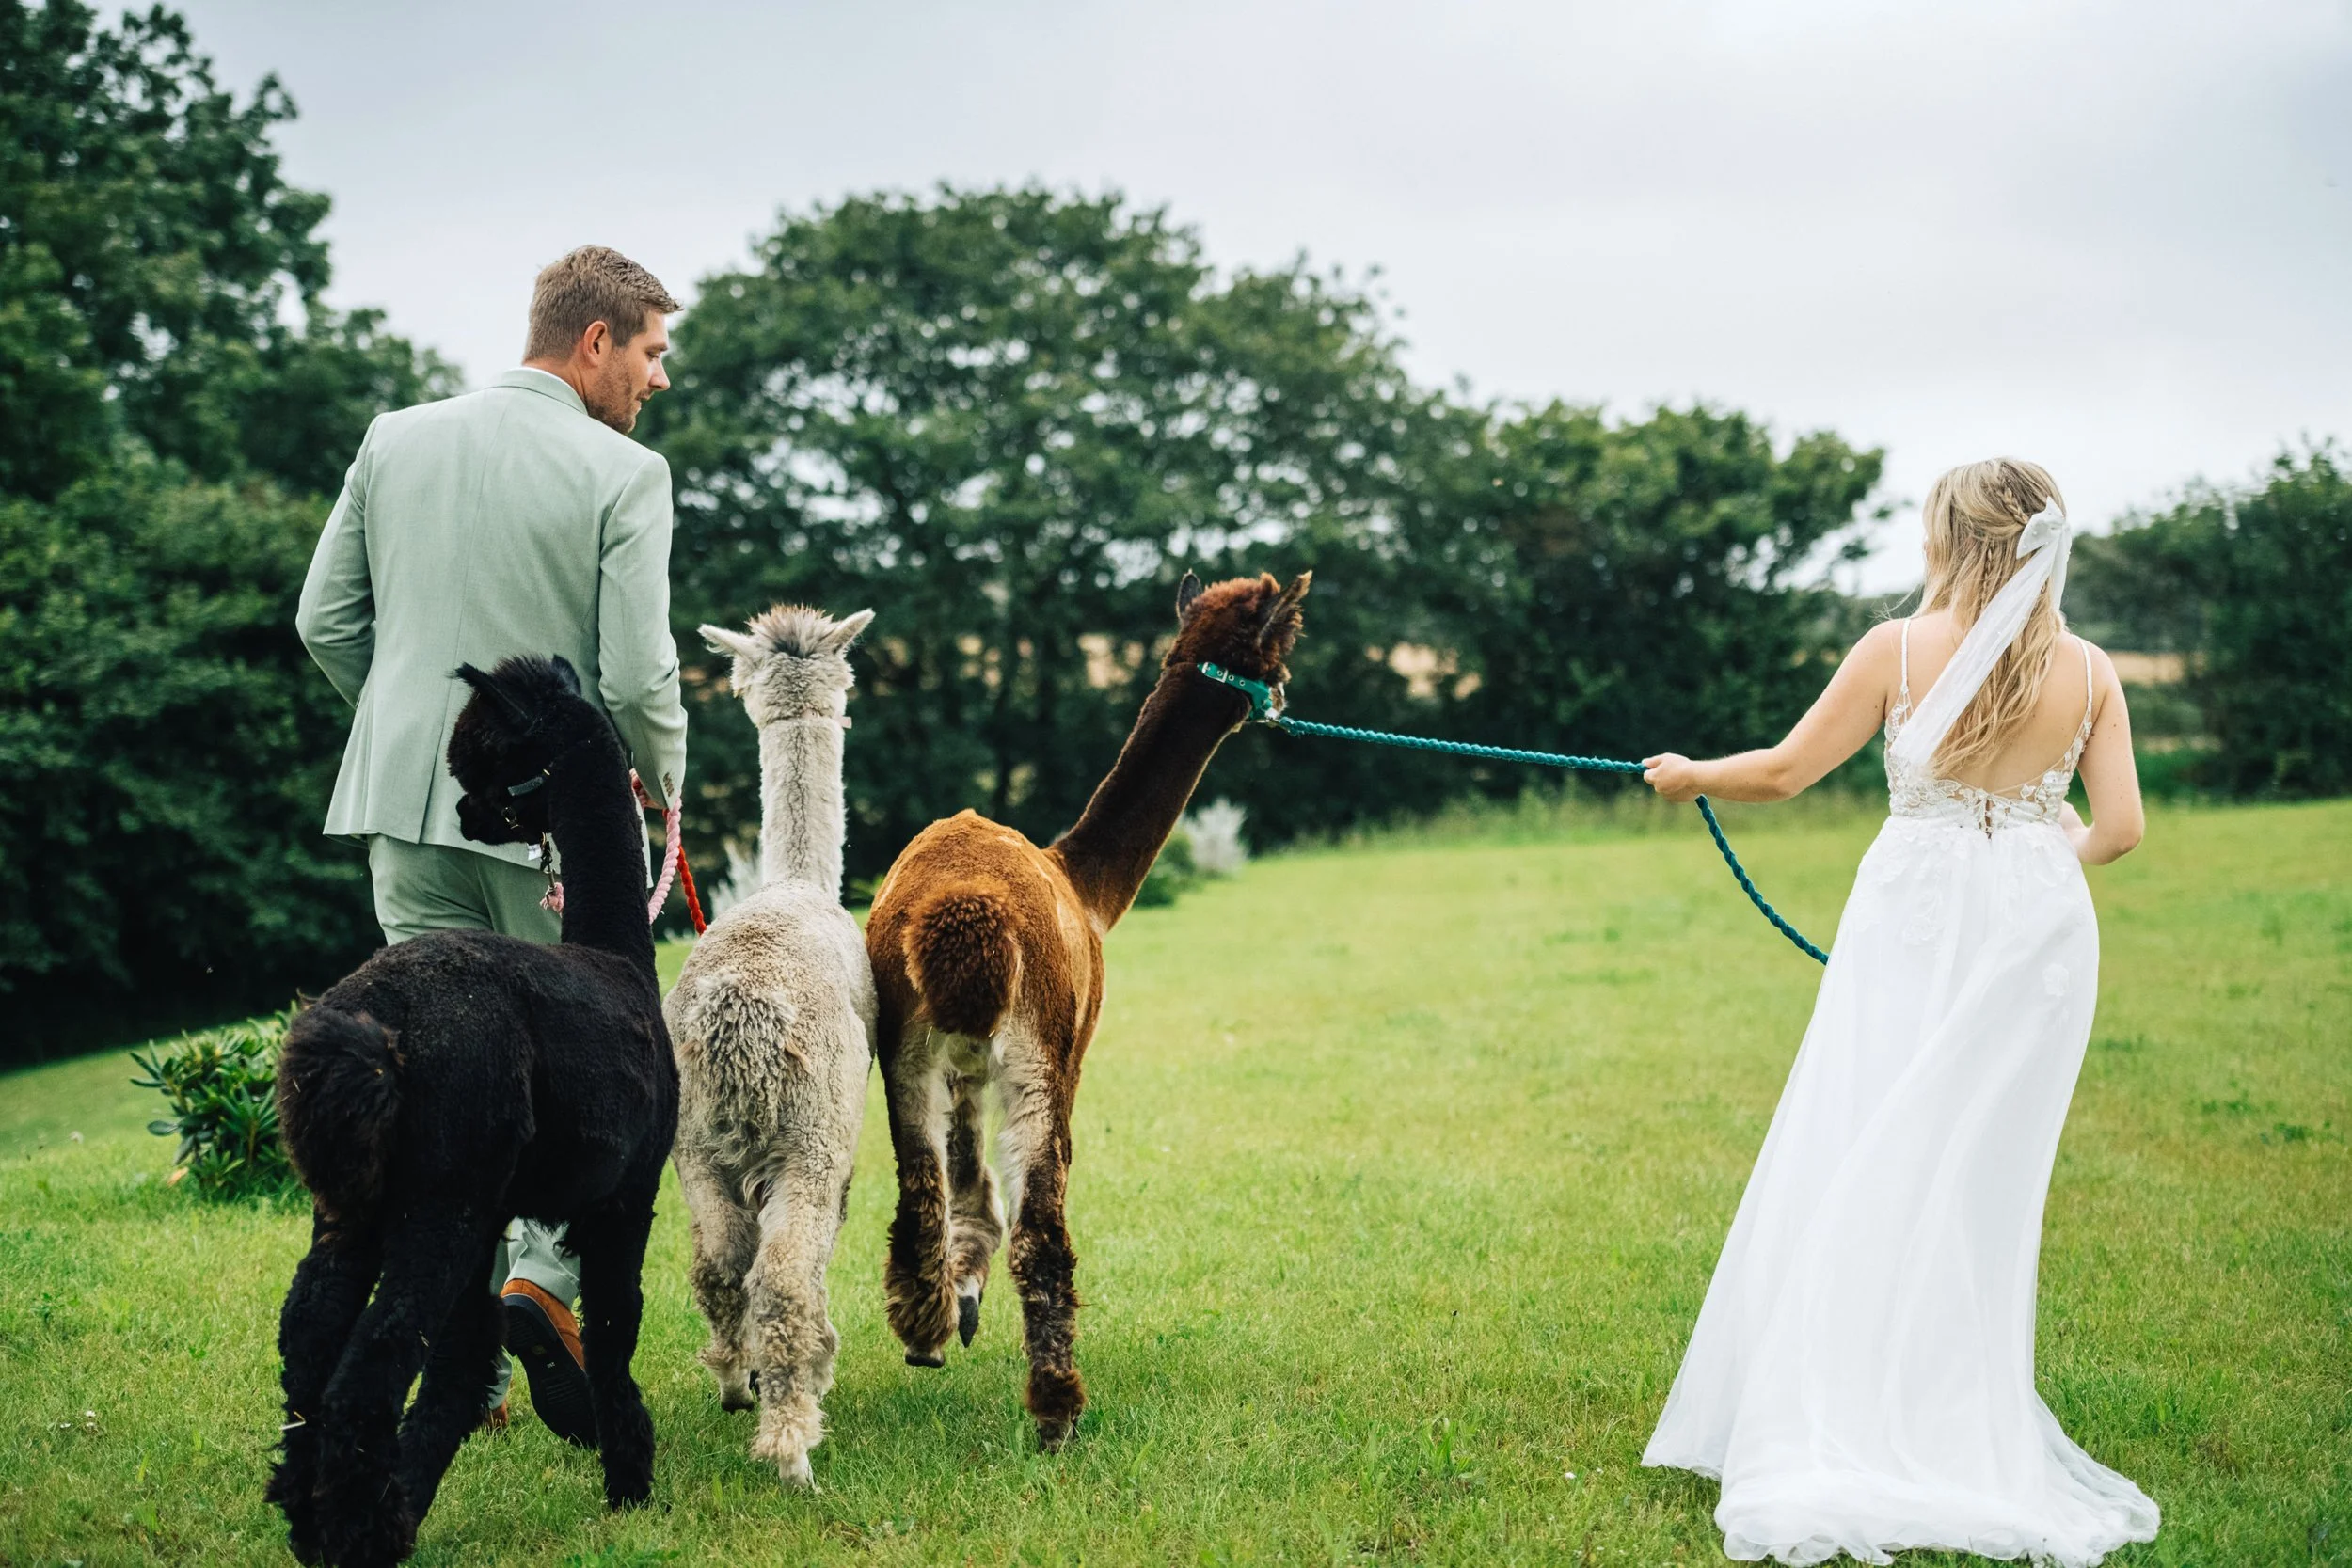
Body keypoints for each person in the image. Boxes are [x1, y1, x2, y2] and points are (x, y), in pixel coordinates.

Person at [1637, 457, 2159, 1566]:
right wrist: (2033, 851)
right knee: (1973, 1171)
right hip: (2038, 927)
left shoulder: (1897, 649)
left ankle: (1841, 1399)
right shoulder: (2093, 669)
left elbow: (1782, 773)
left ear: (1951, 541)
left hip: (1913, 911)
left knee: (1861, 1130)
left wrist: (1689, 775)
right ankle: (1947, 1406)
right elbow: (2116, 829)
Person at [294, 245, 690, 1445]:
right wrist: (661, 787)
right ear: (594, 343)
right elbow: (632, 671)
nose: (658, 380)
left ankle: (462, 1367)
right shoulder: (624, 472)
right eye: (653, 352)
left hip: (405, 809)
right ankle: (541, 1289)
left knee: (433, 1088)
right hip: (549, 831)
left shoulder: (394, 436)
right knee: (567, 1081)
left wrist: (429, 736)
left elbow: (325, 618)